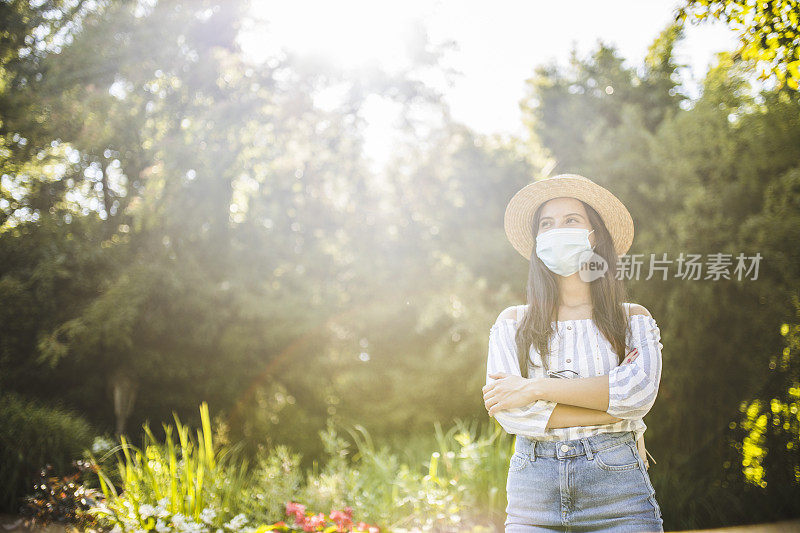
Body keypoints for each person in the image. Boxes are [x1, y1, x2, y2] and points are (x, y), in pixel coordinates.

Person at [482, 173, 665, 532]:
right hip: (532, 496)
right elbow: (511, 414)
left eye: (571, 221)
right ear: (537, 242)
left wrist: (535, 388)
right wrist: (610, 408)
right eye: (546, 225)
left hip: (619, 494)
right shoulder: (511, 324)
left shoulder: (633, 320)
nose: (556, 231)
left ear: (594, 236)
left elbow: (638, 394)